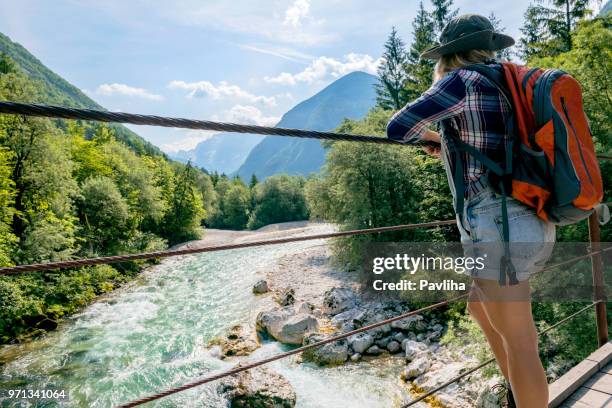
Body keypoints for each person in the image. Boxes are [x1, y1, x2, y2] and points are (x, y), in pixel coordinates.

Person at [386, 14, 556, 408]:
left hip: (499, 224)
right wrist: (448, 142)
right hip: (533, 213)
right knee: (479, 307)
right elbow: (498, 141)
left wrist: (430, 135)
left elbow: (399, 127)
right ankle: (519, 395)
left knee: (521, 341)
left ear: (450, 55)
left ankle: (527, 398)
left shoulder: (462, 80)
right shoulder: (513, 80)